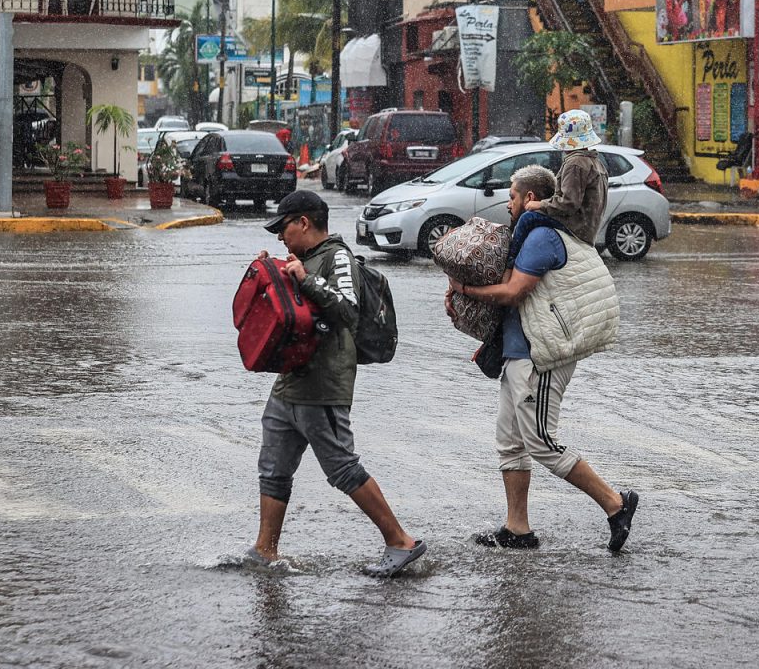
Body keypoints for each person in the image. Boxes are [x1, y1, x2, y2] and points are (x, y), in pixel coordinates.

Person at [447, 164, 639, 553]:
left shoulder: (542, 236)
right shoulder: (528, 234)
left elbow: (513, 292)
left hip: (541, 357)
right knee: (510, 442)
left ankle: (616, 504)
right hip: (518, 354)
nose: (509, 204)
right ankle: (517, 528)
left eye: (513, 197)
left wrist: (466, 287)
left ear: (531, 197)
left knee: (542, 443)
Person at [244, 190, 426, 578]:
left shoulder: (337, 257)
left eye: (284, 228)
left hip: (323, 384)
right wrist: (272, 272)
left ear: (304, 223)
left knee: (342, 468)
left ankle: (400, 541)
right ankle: (266, 549)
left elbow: (347, 308)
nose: (280, 236)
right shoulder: (304, 259)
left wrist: (305, 279)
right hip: (291, 381)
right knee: (273, 468)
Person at [524, 109, 608, 246]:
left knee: (527, 218)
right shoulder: (596, 163)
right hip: (589, 230)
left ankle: (511, 264)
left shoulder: (576, 163)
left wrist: (539, 204)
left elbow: (568, 204)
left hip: (575, 229)